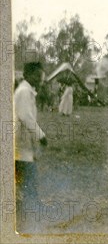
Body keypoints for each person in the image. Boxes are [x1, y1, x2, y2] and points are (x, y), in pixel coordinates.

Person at [14, 62, 47, 232]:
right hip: (19, 145)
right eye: (39, 76)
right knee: (27, 176)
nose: (41, 79)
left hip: (23, 144)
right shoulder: (24, 91)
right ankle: (32, 212)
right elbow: (26, 117)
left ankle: (31, 208)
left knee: (26, 177)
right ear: (30, 74)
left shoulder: (26, 90)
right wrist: (41, 136)